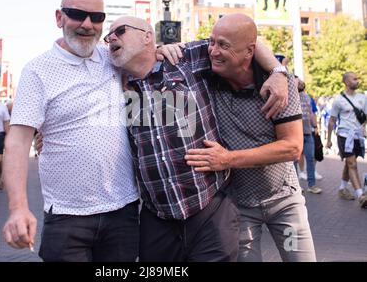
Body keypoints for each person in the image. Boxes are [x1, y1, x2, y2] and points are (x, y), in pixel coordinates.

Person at [105, 15, 288, 261]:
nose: (111, 38)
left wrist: (278, 71)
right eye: (108, 36)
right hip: (157, 219)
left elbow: (245, 41)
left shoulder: (184, 59)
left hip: (210, 211)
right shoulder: (113, 82)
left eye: (120, 31)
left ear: (147, 36)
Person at [2, 0, 140, 262]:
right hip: (67, 217)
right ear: (59, 17)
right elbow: (18, 141)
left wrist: (168, 48)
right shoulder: (37, 71)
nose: (87, 24)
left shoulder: (114, 58)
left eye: (96, 17)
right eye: (77, 14)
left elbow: (151, 55)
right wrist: (18, 208)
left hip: (123, 210)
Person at [183, 14, 316, 261]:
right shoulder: (209, 76)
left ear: (249, 52)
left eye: (223, 45)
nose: (213, 51)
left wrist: (227, 159)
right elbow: (176, 55)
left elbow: (292, 147)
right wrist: (167, 49)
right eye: (212, 42)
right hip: (239, 206)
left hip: (284, 202)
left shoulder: (278, 88)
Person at [327, 72, 367, 207]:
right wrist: (328, 140)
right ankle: (361, 195)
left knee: (350, 163)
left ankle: (342, 188)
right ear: (346, 82)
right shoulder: (339, 100)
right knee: (352, 164)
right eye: (354, 79)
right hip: (344, 136)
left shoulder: (362, 97)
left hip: (358, 136)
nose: (357, 80)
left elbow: (365, 117)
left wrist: (364, 129)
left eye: (357, 78)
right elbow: (332, 120)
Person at [296, 77, 322, 194]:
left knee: (310, 159)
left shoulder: (307, 97)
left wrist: (315, 127)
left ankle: (311, 185)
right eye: (297, 81)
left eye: (301, 80)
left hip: (308, 133)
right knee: (294, 161)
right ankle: (295, 187)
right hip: (295, 134)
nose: (301, 82)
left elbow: (311, 113)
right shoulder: (290, 97)